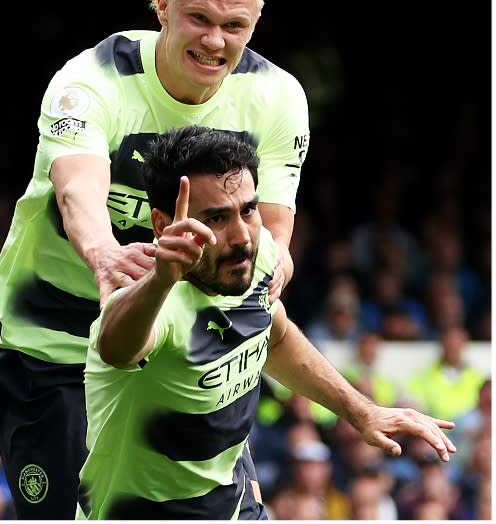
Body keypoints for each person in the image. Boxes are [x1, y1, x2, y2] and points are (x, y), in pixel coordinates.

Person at [0, 0, 311, 517]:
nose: (216, 41)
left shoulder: (277, 97)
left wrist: (274, 265)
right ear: (162, 5)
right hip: (57, 344)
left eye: (235, 25)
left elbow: (276, 226)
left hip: (184, 352)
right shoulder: (91, 81)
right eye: (199, 18)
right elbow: (76, 188)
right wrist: (103, 253)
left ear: (256, 24)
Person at [76, 126, 455, 519]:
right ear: (163, 224)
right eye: (216, 218)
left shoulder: (252, 262)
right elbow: (116, 347)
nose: (242, 236)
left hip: (232, 503)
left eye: (248, 210)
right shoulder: (152, 302)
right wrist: (159, 282)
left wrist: (363, 413)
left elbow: (276, 338)